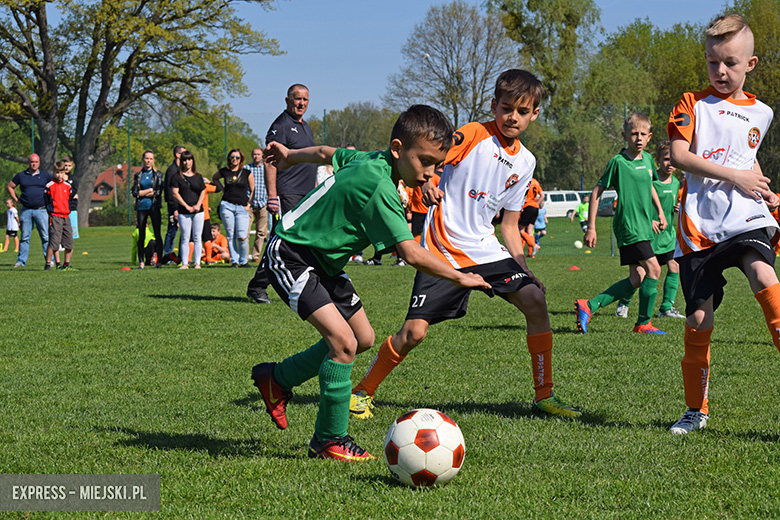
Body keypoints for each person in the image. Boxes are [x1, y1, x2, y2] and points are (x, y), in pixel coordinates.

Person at [251, 105, 491, 461]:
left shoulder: (372, 159)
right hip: (291, 253)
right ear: (398, 149)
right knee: (344, 344)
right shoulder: (381, 189)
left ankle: (278, 379)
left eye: (436, 166)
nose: (429, 172)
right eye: (424, 162)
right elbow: (410, 252)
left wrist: (288, 156)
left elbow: (324, 153)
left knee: (363, 338)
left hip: (324, 262)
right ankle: (329, 440)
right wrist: (460, 276)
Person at [350, 70, 581, 422]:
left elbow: (509, 223)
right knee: (414, 333)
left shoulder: (527, 162)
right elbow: (432, 156)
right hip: (442, 246)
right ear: (494, 105)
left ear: (535, 114)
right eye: (506, 108)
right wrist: (427, 184)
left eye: (522, 111)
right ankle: (362, 391)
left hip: (485, 247)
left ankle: (544, 395)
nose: (512, 117)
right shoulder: (474, 134)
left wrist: (523, 266)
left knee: (535, 299)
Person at [665, 15, 780, 435]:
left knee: (761, 269)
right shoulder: (691, 103)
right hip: (699, 225)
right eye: (713, 62)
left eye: (730, 62)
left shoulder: (762, 112)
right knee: (698, 321)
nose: (720, 72)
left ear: (750, 64)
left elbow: (746, 158)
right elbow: (679, 156)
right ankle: (696, 410)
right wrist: (739, 175)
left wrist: (763, 189)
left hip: (745, 215)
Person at [574, 112, 668, 335]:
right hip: (628, 226)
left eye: (643, 134)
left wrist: (660, 213)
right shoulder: (618, 162)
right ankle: (643, 323)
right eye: (634, 134)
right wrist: (591, 227)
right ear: (624, 135)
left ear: (649, 137)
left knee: (637, 278)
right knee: (654, 269)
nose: (638, 138)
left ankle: (589, 305)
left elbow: (650, 187)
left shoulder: (648, 160)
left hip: (644, 225)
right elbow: (598, 191)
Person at [247, 84, 317, 304]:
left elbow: (309, 161)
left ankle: (300, 283)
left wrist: (315, 191)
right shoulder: (281, 125)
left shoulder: (305, 126)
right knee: (283, 243)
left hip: (306, 195)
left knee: (301, 243)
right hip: (288, 194)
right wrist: (273, 196)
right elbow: (270, 162)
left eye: (305, 99)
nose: (301, 103)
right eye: (297, 99)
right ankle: (258, 286)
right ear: (287, 100)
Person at [615, 140, 685, 319]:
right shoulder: (650, 181)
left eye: (673, 160)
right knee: (640, 274)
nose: (670, 164)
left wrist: (676, 208)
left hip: (667, 235)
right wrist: (650, 220)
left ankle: (666, 307)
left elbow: (671, 205)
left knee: (674, 265)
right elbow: (639, 201)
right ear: (658, 160)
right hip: (646, 232)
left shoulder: (677, 183)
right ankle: (624, 302)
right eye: (666, 159)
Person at [6, 154, 53, 267]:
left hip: (41, 210)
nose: (34, 164)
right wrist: (16, 199)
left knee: (45, 237)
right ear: (28, 162)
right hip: (26, 210)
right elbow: (10, 186)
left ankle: (49, 261)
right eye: (32, 162)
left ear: (39, 162)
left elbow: (54, 186)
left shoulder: (45, 175)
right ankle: (21, 261)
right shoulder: (21, 175)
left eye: (36, 162)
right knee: (24, 237)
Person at [214, 149, 254, 268]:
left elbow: (252, 190)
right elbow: (214, 178)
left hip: (242, 207)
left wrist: (249, 204)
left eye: (237, 157)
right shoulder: (224, 171)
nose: (234, 159)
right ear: (229, 158)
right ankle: (234, 261)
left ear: (241, 159)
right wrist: (222, 189)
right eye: (232, 157)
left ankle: (244, 261)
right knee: (230, 234)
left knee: (242, 236)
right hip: (227, 205)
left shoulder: (247, 173)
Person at [170, 150, 206, 270]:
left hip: (198, 211)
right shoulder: (177, 177)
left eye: (189, 159)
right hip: (184, 212)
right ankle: (185, 263)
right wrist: (186, 206)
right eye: (184, 160)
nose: (187, 162)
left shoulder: (198, 176)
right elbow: (175, 193)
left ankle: (197, 263)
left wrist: (197, 205)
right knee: (185, 237)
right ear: (181, 162)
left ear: (192, 161)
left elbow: (203, 191)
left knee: (197, 237)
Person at [131, 150, 164, 269]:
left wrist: (151, 193)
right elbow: (135, 192)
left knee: (157, 234)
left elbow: (159, 191)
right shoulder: (138, 175)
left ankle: (159, 261)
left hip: (154, 207)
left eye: (151, 159)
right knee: (141, 235)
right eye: (146, 158)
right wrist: (147, 191)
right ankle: (141, 262)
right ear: (143, 160)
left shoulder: (158, 175)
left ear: (153, 160)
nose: (148, 161)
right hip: (141, 208)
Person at [43, 161, 74, 270]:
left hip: (66, 216)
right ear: (53, 172)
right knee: (54, 242)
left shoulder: (68, 186)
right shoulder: (49, 186)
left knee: (69, 242)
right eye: (57, 172)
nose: (59, 175)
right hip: (55, 216)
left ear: (64, 173)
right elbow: (46, 201)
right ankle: (48, 263)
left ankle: (66, 264)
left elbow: (69, 199)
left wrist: (67, 210)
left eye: (61, 173)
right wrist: (51, 212)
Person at [162, 145, 186, 265]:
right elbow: (169, 191)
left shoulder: (182, 169)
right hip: (174, 206)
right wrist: (174, 208)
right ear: (177, 155)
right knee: (172, 231)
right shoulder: (172, 170)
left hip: (183, 205)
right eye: (184, 154)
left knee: (184, 231)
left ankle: (182, 256)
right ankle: (168, 255)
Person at [247, 148, 269, 263]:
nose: (256, 156)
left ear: (262, 156)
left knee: (260, 232)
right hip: (249, 203)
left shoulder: (267, 168)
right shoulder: (246, 168)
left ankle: (256, 255)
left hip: (263, 203)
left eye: (258, 154)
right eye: (254, 154)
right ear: (252, 155)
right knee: (245, 231)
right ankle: (244, 256)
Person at [518, 177, 542, 257]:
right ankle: (531, 253)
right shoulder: (535, 181)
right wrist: (537, 204)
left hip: (527, 206)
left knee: (521, 230)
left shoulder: (526, 181)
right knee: (530, 231)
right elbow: (542, 195)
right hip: (535, 207)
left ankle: (534, 246)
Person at [61, 156, 79, 241]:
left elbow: (73, 192)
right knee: (60, 232)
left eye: (69, 165)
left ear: (72, 166)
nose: (67, 168)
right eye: (65, 165)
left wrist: (71, 194)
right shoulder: (58, 178)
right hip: (60, 209)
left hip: (71, 208)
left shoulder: (74, 179)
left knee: (72, 234)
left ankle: (68, 252)